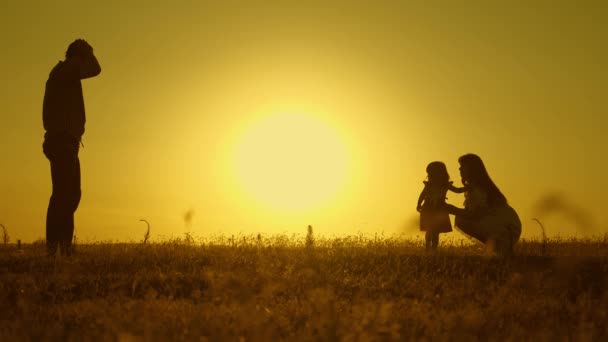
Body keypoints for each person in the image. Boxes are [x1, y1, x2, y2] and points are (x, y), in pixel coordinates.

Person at [42, 39, 101, 256]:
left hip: (65, 141)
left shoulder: (64, 72)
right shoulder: (67, 69)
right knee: (64, 195)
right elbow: (96, 69)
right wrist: (88, 52)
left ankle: (61, 247)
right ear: (78, 56)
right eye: (85, 55)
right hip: (62, 141)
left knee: (69, 194)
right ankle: (59, 248)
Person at [445, 154, 521, 256]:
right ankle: (497, 249)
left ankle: (499, 247)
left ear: (472, 169)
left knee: (460, 219)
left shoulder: (478, 189)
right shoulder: (477, 186)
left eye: (463, 166)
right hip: (507, 226)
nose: (459, 169)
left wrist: (451, 209)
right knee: (461, 218)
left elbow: (474, 215)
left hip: (506, 228)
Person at [416, 161, 465, 251]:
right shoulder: (430, 184)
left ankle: (433, 249)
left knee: (434, 230)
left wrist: (466, 188)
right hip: (429, 208)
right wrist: (418, 204)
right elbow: (422, 195)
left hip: (437, 208)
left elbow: (457, 190)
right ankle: (428, 248)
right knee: (431, 229)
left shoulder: (445, 184)